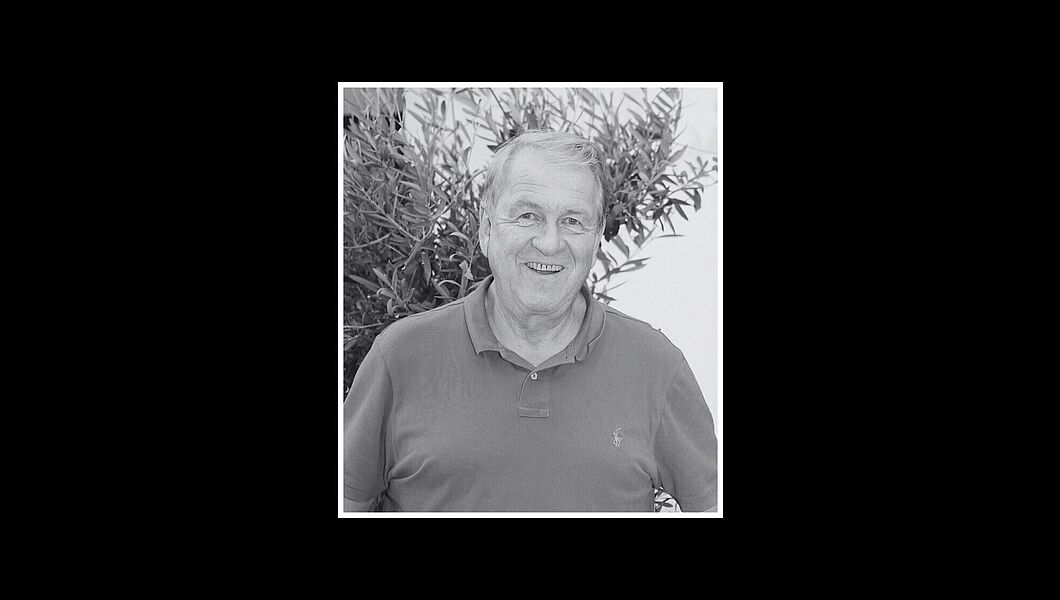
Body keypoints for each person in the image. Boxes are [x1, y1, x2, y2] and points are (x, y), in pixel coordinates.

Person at [344, 130, 717, 512]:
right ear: (487, 229)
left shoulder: (656, 367)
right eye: (528, 216)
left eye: (573, 221)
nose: (549, 243)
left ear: (595, 240)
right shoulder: (400, 358)